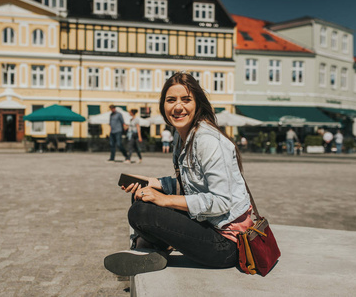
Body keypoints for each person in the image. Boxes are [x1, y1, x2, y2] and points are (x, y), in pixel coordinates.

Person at [104, 72, 253, 276]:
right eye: (171, 100)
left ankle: (146, 246)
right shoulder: (182, 135)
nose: (178, 106)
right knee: (141, 194)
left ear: (197, 104)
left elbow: (221, 202)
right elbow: (191, 183)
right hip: (207, 224)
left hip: (227, 244)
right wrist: (153, 183)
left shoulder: (208, 141)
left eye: (186, 99)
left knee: (141, 213)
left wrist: (166, 200)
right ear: (163, 105)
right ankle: (152, 249)